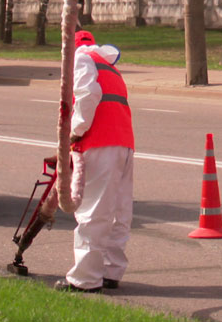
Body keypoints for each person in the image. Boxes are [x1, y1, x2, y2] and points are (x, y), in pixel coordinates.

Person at [54, 30, 135, 293]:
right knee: (118, 211)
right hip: (123, 143)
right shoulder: (108, 65)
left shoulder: (81, 58)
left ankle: (85, 280)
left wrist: (75, 131)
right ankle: (110, 271)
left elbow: (88, 95)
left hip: (98, 143)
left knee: (93, 211)